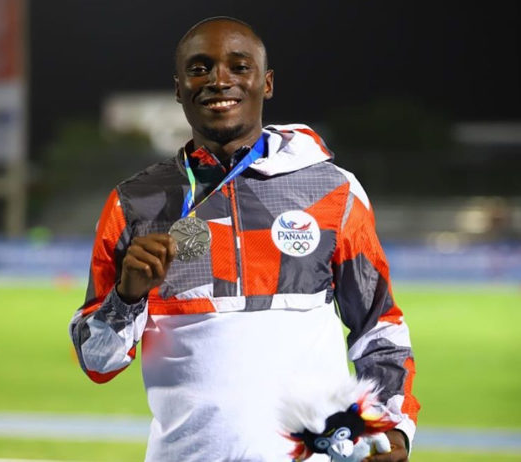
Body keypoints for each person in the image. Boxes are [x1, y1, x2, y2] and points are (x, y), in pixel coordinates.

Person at [69, 16, 419, 462]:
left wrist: (392, 428)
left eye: (239, 66)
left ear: (266, 83)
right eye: (200, 69)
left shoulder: (333, 191)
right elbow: (97, 362)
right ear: (178, 88)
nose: (219, 80)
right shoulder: (134, 203)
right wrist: (127, 297)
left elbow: (379, 327)